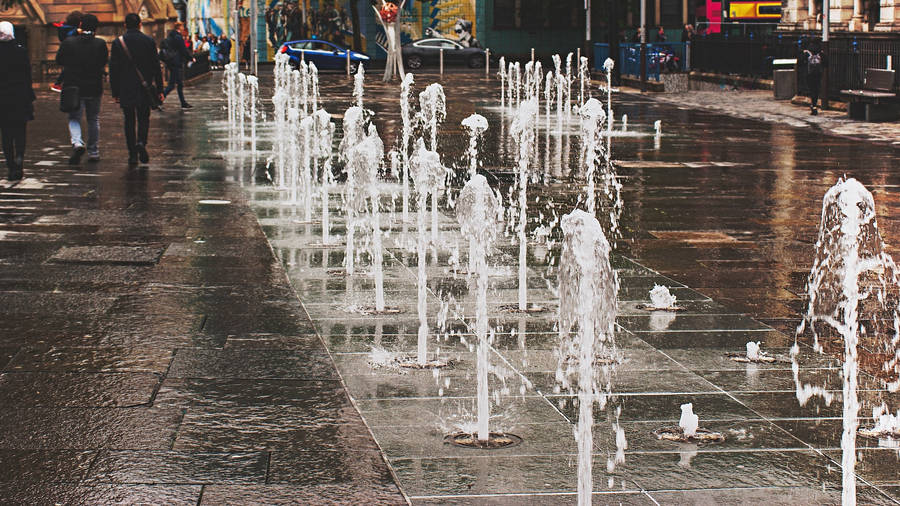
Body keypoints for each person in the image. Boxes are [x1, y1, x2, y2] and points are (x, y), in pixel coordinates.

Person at [110, 13, 163, 165]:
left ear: (125, 25)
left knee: (129, 120)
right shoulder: (148, 41)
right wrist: (160, 89)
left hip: (126, 87)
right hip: (144, 86)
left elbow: (114, 69)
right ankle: (141, 142)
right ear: (140, 24)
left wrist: (115, 92)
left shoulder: (118, 42)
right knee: (143, 117)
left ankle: (132, 154)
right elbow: (156, 66)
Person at [56, 13, 108, 164]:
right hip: (94, 87)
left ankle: (78, 143)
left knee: (74, 118)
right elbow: (103, 62)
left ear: (80, 25)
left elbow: (59, 60)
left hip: (74, 86)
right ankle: (93, 151)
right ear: (96, 28)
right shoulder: (100, 44)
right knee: (93, 119)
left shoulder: (69, 42)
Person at [0, 21, 35, 180]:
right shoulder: (21, 51)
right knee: (20, 131)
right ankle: (19, 158)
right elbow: (27, 77)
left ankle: (10, 165)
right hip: (20, 98)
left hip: (2, 100)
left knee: (6, 134)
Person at [161, 21, 193, 108]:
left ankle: (183, 102)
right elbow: (183, 49)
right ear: (179, 28)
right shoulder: (178, 37)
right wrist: (191, 58)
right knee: (172, 85)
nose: (183, 29)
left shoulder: (170, 36)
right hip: (176, 62)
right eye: (182, 27)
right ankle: (160, 99)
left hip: (171, 62)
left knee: (179, 84)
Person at [50, 11, 82, 93]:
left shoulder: (64, 27)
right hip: (71, 52)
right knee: (69, 68)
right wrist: (77, 31)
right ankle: (57, 84)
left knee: (68, 68)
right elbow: (68, 37)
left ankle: (58, 84)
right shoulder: (71, 30)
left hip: (67, 51)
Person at [803, 41, 826, 115]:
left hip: (809, 74)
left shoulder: (807, 53)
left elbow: (801, 62)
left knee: (811, 89)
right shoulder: (821, 54)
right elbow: (826, 64)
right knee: (816, 90)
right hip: (818, 74)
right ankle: (814, 105)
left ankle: (813, 105)